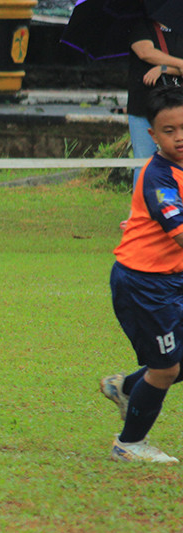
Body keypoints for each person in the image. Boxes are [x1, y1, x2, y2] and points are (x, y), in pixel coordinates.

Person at [99, 86, 183, 464]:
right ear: (152, 135)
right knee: (166, 369)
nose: (179, 137)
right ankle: (128, 444)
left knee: (175, 360)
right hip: (144, 283)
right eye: (169, 131)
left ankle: (126, 387)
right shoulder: (159, 176)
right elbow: (179, 233)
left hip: (173, 278)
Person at [127, 20, 183, 184]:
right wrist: (179, 64)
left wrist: (163, 68)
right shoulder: (140, 25)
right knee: (144, 161)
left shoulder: (179, 28)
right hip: (143, 106)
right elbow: (145, 52)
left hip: (175, 109)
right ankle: (143, 199)